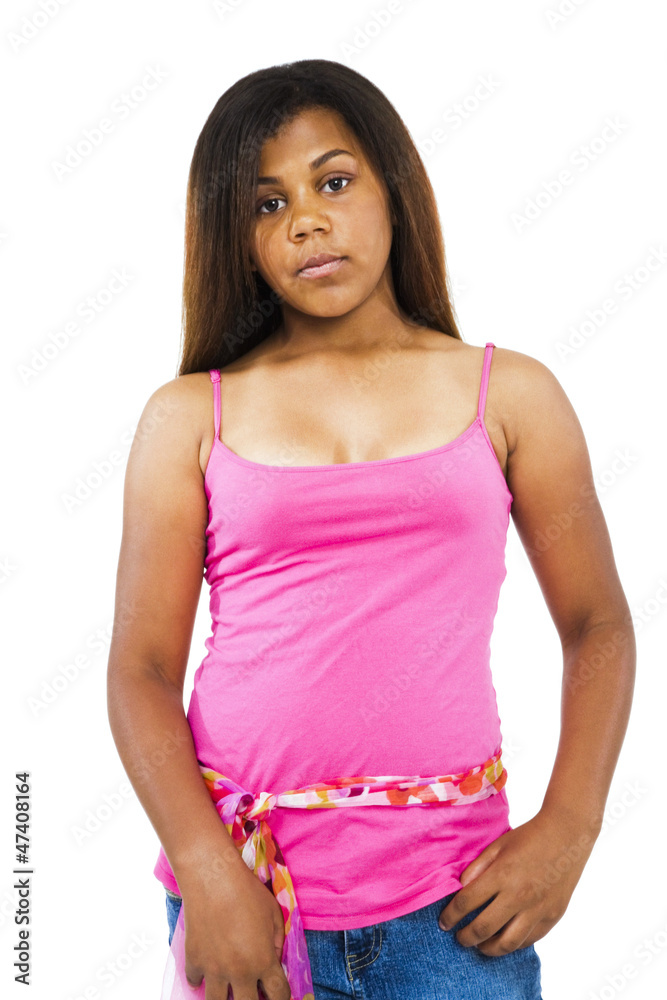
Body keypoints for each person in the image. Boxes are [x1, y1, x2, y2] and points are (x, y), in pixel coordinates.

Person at [106, 59, 636, 1000]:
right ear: (237, 238)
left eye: (334, 181)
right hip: (246, 900)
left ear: (395, 188)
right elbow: (140, 671)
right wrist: (205, 870)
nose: (306, 221)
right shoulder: (188, 417)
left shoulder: (509, 396)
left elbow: (597, 623)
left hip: (456, 908)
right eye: (267, 204)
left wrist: (569, 827)